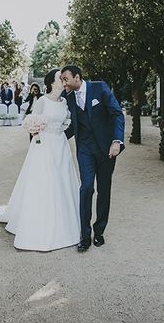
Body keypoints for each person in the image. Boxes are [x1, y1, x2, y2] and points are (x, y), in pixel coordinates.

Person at [0, 69, 80, 251]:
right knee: (45, 183)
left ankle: (67, 223)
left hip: (61, 146)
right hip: (44, 146)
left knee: (63, 182)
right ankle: (42, 225)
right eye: (59, 78)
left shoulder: (65, 101)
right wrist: (38, 136)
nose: (63, 80)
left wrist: (61, 128)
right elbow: (32, 123)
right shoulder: (42, 101)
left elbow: (68, 121)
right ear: (51, 82)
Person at [61, 65, 125, 252]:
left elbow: (117, 114)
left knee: (104, 190)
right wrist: (55, 138)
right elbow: (74, 124)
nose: (64, 82)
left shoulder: (100, 88)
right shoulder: (68, 96)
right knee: (86, 188)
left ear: (77, 77)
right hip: (85, 150)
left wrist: (117, 141)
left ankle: (99, 231)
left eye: (65, 78)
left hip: (107, 149)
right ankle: (84, 235)